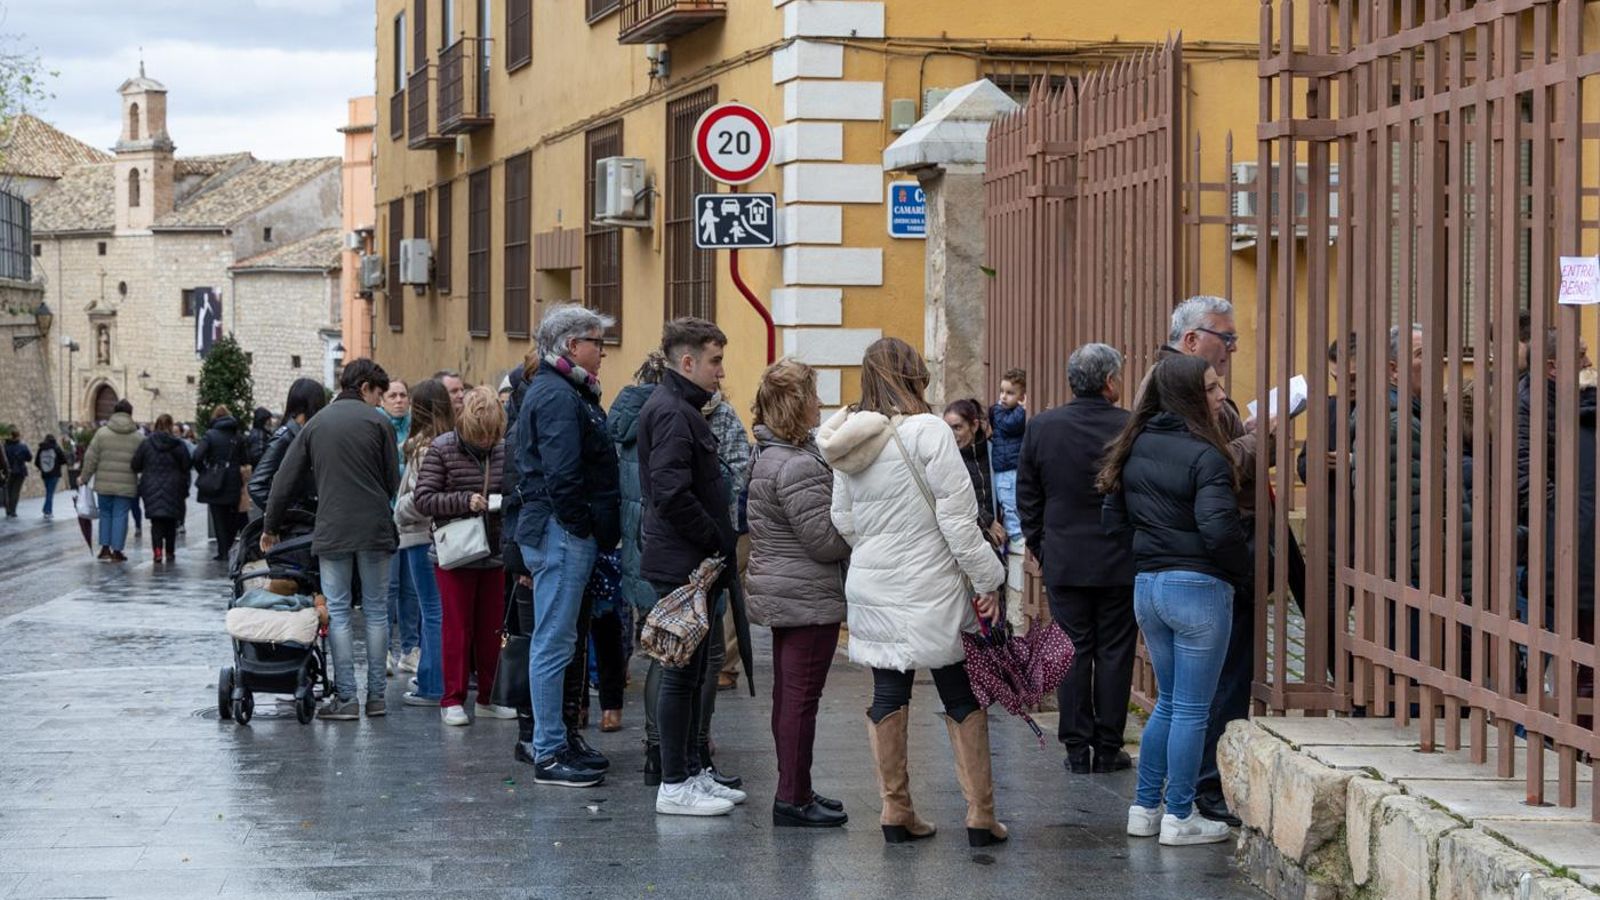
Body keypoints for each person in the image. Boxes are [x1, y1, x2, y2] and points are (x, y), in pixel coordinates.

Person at [816, 337, 1008, 847]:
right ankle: (980, 815)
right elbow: (959, 520)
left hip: (873, 582)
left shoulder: (850, 441)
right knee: (959, 690)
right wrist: (989, 579)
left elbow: (843, 519)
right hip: (932, 582)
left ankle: (896, 809)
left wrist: (880, 550)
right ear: (915, 376)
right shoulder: (930, 432)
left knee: (887, 692)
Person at [1100, 354, 1250, 846]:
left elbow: (1112, 521)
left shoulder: (1133, 444)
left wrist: (1152, 551)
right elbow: (1218, 528)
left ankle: (1145, 808)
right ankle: (1180, 815)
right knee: (1192, 709)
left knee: (1167, 703)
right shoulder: (1207, 454)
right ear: (1189, 396)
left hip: (1149, 586)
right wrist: (1240, 569)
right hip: (1198, 587)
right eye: (1210, 387)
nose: (1220, 394)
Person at [1157, 295, 1271, 827]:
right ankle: (1201, 793)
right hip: (1204, 565)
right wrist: (1255, 437)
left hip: (1165, 566)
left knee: (1178, 697)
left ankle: (1156, 800)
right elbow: (1213, 470)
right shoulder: (1181, 393)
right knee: (1205, 693)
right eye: (1225, 339)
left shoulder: (1170, 390)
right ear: (1192, 339)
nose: (1231, 351)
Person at [637, 316, 747, 816]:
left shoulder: (682, 408)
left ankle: (691, 772)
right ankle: (674, 783)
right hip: (683, 561)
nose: (721, 372)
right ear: (688, 362)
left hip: (690, 559)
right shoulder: (673, 412)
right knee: (681, 673)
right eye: (715, 361)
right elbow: (671, 493)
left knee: (697, 669)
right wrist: (716, 536)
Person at [1017, 343, 1137, 775]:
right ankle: (1108, 745)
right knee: (1115, 651)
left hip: (1065, 557)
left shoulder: (1043, 427)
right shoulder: (1129, 427)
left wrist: (1042, 544)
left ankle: (1075, 747)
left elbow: (1027, 495)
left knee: (1073, 649)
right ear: (1110, 382)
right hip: (1119, 558)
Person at [514, 304, 621, 787]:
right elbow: (561, 473)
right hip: (560, 531)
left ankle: (558, 739)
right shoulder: (557, 395)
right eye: (597, 341)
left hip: (562, 529)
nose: (603, 350)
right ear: (572, 345)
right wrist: (581, 526)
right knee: (553, 641)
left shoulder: (565, 389)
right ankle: (550, 749)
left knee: (561, 639)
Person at [745, 358, 851, 829]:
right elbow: (824, 541)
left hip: (785, 589)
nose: (819, 403)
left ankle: (797, 788)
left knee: (788, 696)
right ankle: (791, 797)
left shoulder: (769, 455)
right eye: (812, 395)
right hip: (806, 593)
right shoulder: (794, 466)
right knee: (800, 699)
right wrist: (852, 522)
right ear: (795, 404)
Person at [263, 358, 401, 721]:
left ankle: (346, 698)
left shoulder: (317, 424)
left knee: (338, 612)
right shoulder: (380, 424)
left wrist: (270, 526)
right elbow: (392, 481)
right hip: (374, 529)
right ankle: (377, 698)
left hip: (333, 529)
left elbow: (283, 480)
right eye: (379, 393)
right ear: (365, 387)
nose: (380, 400)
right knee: (375, 610)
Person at [414, 385, 515, 725]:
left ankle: (489, 697)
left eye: (491, 434)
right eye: (480, 434)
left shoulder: (505, 449)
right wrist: (464, 500)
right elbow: (423, 499)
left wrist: (507, 502)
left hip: (495, 551)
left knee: (491, 630)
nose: (486, 441)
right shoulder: (442, 448)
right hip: (455, 553)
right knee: (457, 629)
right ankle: (452, 699)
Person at [610, 351, 671, 784]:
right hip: (665, 551)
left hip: (634, 551)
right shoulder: (668, 417)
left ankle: (656, 745)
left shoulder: (623, 423)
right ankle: (662, 746)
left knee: (655, 651)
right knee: (672, 655)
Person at [394, 378, 450, 709]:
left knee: (431, 609)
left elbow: (420, 498)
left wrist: (398, 510)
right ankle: (435, 677)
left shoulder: (423, 447)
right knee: (439, 609)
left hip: (419, 534)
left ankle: (432, 683)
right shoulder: (452, 441)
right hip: (445, 535)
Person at [381, 378, 421, 676]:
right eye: (392, 395)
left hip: (411, 518)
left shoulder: (416, 430)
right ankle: (382, 650)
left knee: (411, 588)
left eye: (402, 395)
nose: (398, 400)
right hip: (385, 517)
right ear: (382, 400)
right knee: (389, 587)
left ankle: (410, 649)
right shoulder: (376, 427)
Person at [249, 378, 327, 515]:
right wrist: (288, 513)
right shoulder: (285, 437)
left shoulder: (302, 435)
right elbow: (256, 485)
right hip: (294, 528)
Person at [82, 400, 144, 561]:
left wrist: (84, 477)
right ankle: (117, 551)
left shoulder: (102, 433)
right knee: (120, 516)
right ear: (130, 414)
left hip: (104, 483)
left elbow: (90, 458)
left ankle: (104, 549)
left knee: (106, 514)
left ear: (114, 413)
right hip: (126, 484)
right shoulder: (138, 437)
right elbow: (143, 462)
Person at [942, 399, 1004, 549]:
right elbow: (955, 500)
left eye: (957, 427)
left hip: (1000, 539)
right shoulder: (946, 459)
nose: (952, 434)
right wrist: (988, 521)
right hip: (965, 542)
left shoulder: (994, 452)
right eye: (947, 428)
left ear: (974, 425)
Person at [131, 414, 191, 563]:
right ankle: (170, 551)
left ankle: (157, 551)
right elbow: (187, 465)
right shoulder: (178, 445)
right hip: (173, 487)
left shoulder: (146, 443)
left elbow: (135, 464)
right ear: (171, 426)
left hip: (151, 486)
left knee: (156, 522)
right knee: (171, 521)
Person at [192, 405, 246, 563]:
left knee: (218, 518)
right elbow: (245, 460)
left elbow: (197, 456)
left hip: (215, 480)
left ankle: (223, 551)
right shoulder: (238, 437)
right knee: (232, 516)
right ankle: (229, 547)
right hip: (234, 479)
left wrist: (205, 471)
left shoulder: (210, 435)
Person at [988, 367, 1027, 543]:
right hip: (1005, 469)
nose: (1003, 396)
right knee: (1009, 504)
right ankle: (1016, 536)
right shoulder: (998, 411)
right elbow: (1011, 425)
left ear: (1022, 396)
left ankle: (1021, 534)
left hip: (1016, 466)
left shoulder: (1013, 412)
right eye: (1002, 391)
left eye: (1010, 393)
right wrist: (1023, 409)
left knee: (1020, 501)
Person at [34, 432, 64, 519]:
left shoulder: (41, 449)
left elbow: (36, 462)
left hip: (45, 474)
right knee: (50, 493)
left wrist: (43, 467)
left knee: (48, 492)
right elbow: (64, 460)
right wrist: (57, 464)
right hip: (54, 474)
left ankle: (46, 509)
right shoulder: (57, 448)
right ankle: (48, 511)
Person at [3, 428, 30, 518]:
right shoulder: (23, 446)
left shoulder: (5, 446)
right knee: (15, 491)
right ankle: (13, 510)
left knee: (8, 490)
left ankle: (8, 510)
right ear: (18, 436)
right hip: (20, 471)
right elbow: (29, 458)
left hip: (7, 471)